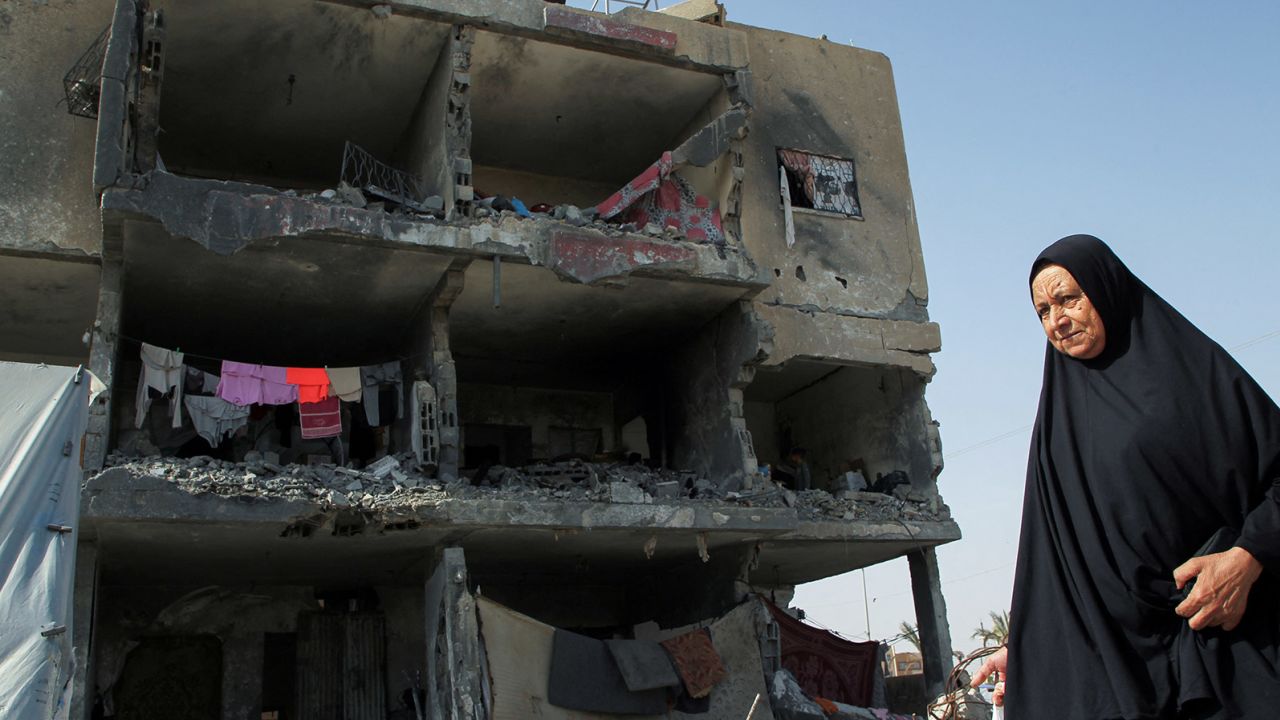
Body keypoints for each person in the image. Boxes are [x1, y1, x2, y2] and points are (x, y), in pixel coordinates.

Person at [971, 235, 1280, 719]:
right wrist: (1030, 649)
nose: (1058, 320)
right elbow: (1058, 560)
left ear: (1107, 288)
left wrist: (1247, 558)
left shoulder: (1195, 375)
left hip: (1230, 648)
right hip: (1123, 671)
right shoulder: (1059, 424)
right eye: (1043, 311)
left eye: (1069, 298)